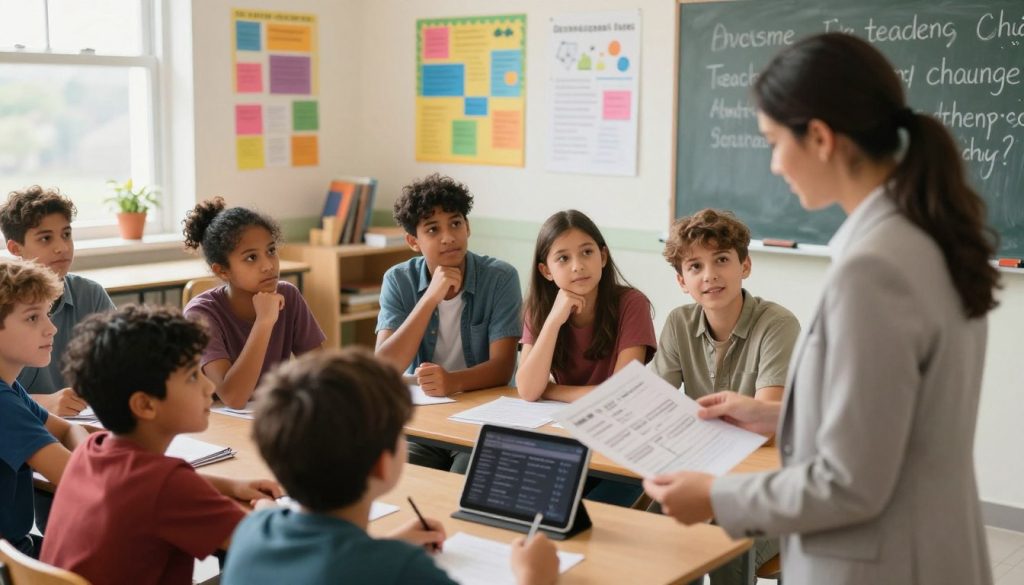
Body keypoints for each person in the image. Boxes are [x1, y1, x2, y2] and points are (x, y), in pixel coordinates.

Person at [643, 32, 999, 585]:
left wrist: (716, 494)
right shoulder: (924, 236)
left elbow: (850, 481)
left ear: (820, 138)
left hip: (883, 560)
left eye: (773, 141)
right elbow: (890, 423)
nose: (775, 165)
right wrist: (776, 416)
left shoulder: (874, 269)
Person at [222, 348, 559, 585]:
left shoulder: (254, 528)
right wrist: (534, 577)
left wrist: (391, 545)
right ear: (382, 467)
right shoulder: (402, 571)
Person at [41, 304, 282, 584]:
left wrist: (232, 486)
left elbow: (160, 482)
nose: (210, 387)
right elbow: (267, 545)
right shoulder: (165, 486)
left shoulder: (92, 448)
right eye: (193, 376)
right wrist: (267, 508)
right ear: (145, 404)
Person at [651, 208, 799, 585]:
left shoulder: (777, 324)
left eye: (721, 260)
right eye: (695, 266)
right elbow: (654, 408)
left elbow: (764, 425)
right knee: (652, 535)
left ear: (744, 265)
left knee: (721, 551)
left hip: (770, 490)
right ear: (682, 281)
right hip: (705, 470)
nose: (710, 275)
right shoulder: (677, 323)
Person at [376, 174, 522, 472]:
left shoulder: (501, 278)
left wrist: (452, 382)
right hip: (423, 417)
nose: (448, 237)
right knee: (402, 475)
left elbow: (503, 366)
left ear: (467, 226)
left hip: (483, 415)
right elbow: (383, 368)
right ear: (413, 241)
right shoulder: (398, 279)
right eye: (433, 229)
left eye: (456, 223)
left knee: (465, 478)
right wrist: (429, 298)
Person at [183, 197, 325, 408]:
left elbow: (320, 373)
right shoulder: (201, 313)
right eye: (251, 258)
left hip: (265, 413)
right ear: (222, 271)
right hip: (212, 423)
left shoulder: (289, 296)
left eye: (271, 251)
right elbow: (233, 397)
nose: (268, 265)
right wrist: (264, 322)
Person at [516, 209, 655, 403]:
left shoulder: (632, 303)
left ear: (603, 256)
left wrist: (549, 390)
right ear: (546, 270)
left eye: (587, 252)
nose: (578, 266)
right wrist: (553, 322)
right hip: (559, 421)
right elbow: (528, 391)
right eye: (563, 258)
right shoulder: (539, 308)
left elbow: (623, 392)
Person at [0, 258, 88, 558]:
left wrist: (84, 449)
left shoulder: (9, 387)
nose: (51, 328)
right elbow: (76, 479)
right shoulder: (2, 404)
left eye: (46, 314)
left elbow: (67, 428)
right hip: (10, 563)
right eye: (32, 318)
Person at [0, 186, 115, 416]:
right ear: (15, 248)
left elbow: (126, 364)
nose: (62, 247)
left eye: (66, 234)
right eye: (45, 238)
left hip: (88, 422)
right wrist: (42, 403)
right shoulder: (5, 305)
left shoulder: (90, 294)